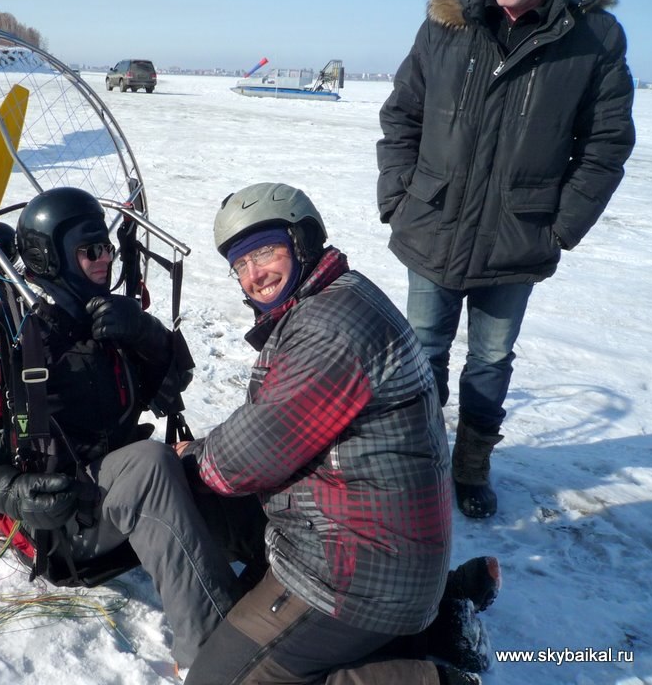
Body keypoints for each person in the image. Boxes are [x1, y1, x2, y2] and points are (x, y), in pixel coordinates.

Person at [0, 187, 266, 671]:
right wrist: (7, 488)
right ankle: (217, 660)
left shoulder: (102, 313)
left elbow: (173, 384)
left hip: (126, 494)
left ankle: (294, 593)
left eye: (107, 247)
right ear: (51, 256)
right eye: (90, 249)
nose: (105, 259)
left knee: (227, 459)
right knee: (150, 464)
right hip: (59, 526)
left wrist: (143, 333)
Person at [376, 0, 636, 518]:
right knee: (421, 352)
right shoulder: (448, 23)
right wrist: (398, 197)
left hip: (518, 233)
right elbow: (402, 115)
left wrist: (561, 226)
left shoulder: (594, 37)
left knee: (491, 360)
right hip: (433, 222)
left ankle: (470, 465)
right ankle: (418, 460)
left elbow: (605, 145)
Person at [176, 182, 484, 685]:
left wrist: (193, 457)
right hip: (382, 548)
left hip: (354, 573)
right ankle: (436, 622)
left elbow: (240, 464)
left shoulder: (328, 329)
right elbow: (273, 424)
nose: (254, 276)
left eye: (264, 252)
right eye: (240, 265)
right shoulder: (336, 296)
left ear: (302, 241)